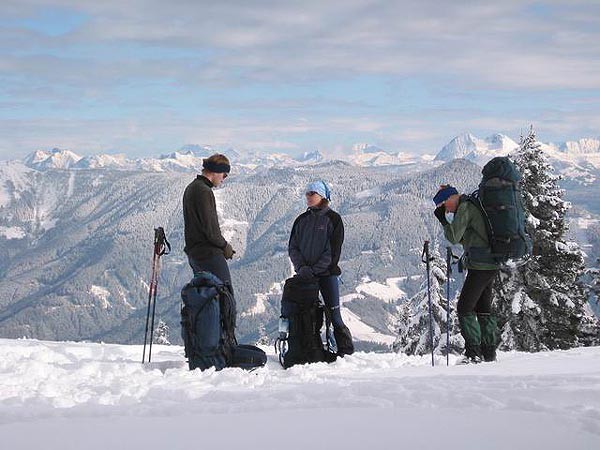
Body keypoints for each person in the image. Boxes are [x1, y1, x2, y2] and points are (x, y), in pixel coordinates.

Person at [433, 184, 500, 363]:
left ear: (450, 199)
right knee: (483, 308)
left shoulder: (465, 207)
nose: (444, 209)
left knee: (464, 307)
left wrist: (443, 220)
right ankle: (489, 352)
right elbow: (466, 237)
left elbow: (454, 237)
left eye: (442, 205)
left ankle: (473, 353)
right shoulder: (470, 204)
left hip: (481, 265)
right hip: (490, 262)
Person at [288, 180, 354, 356]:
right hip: (305, 276)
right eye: (307, 194)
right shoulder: (301, 220)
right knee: (307, 315)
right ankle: (311, 349)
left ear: (322, 196)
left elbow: (333, 252)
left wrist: (312, 270)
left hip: (326, 275)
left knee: (334, 315)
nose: (308, 197)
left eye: (312, 194)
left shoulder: (333, 219)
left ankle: (345, 352)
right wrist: (301, 267)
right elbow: (292, 247)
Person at [183, 153, 235, 287]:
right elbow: (210, 229)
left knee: (207, 297)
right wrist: (225, 246)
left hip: (195, 254)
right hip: (209, 254)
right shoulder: (204, 191)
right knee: (224, 297)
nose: (224, 179)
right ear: (216, 171)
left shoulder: (191, 188)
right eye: (224, 174)